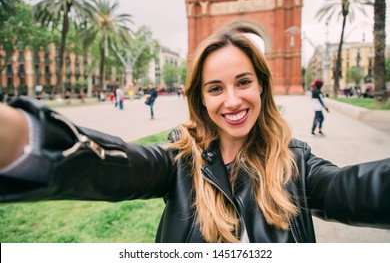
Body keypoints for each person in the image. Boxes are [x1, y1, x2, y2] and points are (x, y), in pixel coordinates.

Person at [0, 30, 389, 243]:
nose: (233, 100)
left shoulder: (297, 164)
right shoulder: (178, 161)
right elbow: (112, 167)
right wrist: (25, 137)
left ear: (262, 87)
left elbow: (358, 190)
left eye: (243, 82)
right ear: (200, 99)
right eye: (215, 88)